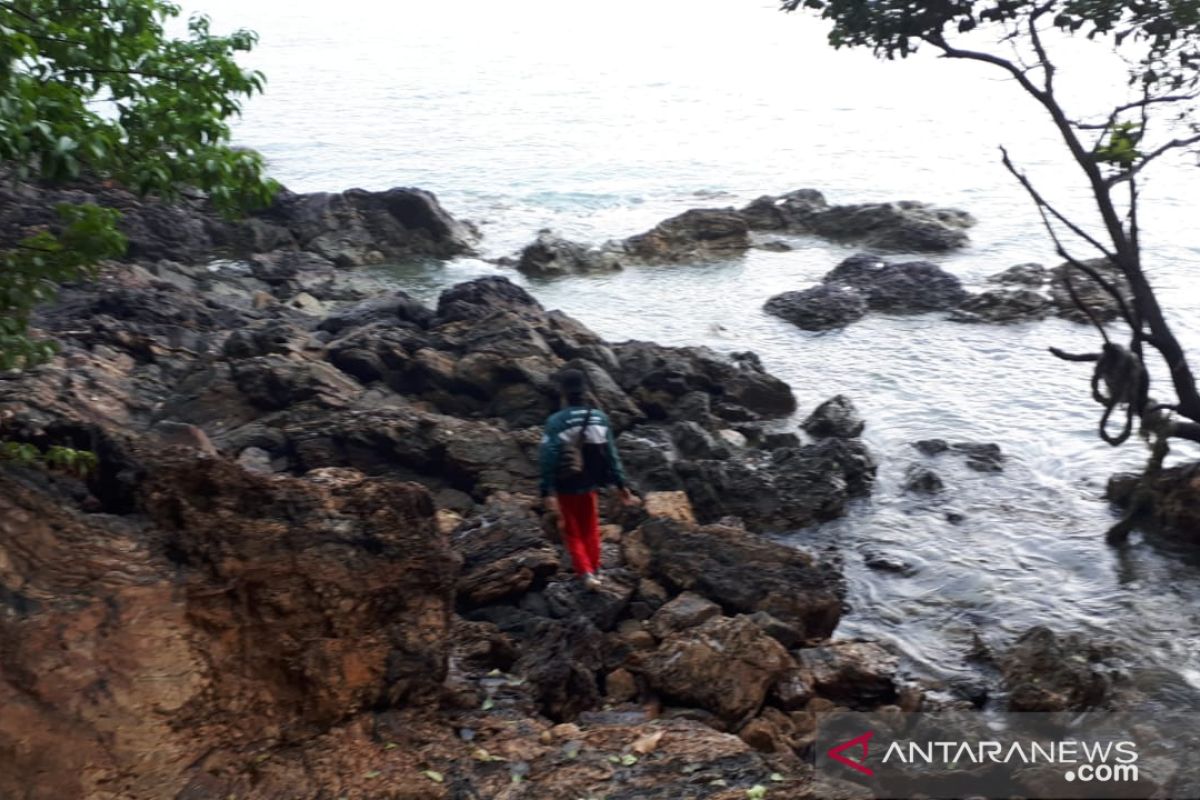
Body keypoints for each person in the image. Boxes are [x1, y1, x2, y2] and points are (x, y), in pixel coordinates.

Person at [539, 368, 638, 589]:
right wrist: (622, 485)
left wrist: (547, 490)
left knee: (571, 530)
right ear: (585, 391)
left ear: (563, 392)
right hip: (591, 482)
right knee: (591, 527)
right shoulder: (599, 418)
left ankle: (585, 574)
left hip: (566, 484)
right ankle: (596, 569)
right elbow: (611, 455)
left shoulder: (556, 421)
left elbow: (548, 457)